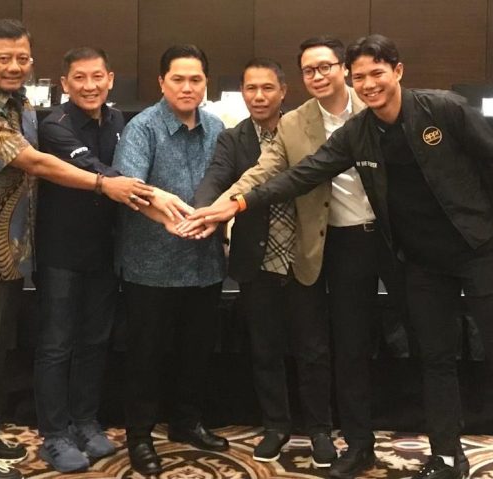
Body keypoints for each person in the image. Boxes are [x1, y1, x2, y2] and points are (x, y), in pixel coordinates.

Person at [186, 34, 493, 479]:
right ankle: (444, 456)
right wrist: (235, 204)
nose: (369, 83)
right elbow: (300, 175)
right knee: (429, 357)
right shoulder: (357, 131)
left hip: (474, 248)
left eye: (377, 73)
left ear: (397, 70)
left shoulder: (442, 109)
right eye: (361, 76)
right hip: (414, 258)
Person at [187, 37, 408, 476]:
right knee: (299, 345)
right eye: (310, 70)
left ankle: (386, 441)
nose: (318, 76)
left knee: (351, 344)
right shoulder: (294, 124)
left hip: (378, 239)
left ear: (343, 69)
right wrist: (216, 208)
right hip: (307, 247)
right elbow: (262, 172)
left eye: (326, 67)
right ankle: (333, 437)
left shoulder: (373, 108)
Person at [0, 20, 152, 479]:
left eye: (22, 58)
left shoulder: (18, 102)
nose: (14, 66)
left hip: (11, 251)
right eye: (4, 58)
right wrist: (103, 183)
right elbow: (35, 162)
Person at [193, 55, 337, 468]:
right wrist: (203, 210)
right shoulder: (234, 139)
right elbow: (216, 177)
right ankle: (275, 426)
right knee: (265, 349)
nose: (258, 96)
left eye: (267, 88)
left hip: (304, 256)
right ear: (242, 92)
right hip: (256, 261)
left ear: (283, 91)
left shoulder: (304, 129)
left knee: (313, 350)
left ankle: (320, 430)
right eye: (251, 88)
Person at [111, 44, 229, 476]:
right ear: (162, 82)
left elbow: (229, 182)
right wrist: (168, 217)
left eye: (195, 79)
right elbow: (130, 188)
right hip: (152, 266)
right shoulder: (143, 128)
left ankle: (186, 422)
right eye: (178, 79)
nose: (187, 87)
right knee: (146, 356)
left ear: (206, 83)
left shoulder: (217, 127)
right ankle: (139, 436)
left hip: (204, 263)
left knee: (195, 351)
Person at [33, 47, 141, 473]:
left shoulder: (118, 121)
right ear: (65, 83)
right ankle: (54, 435)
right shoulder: (54, 126)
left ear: (110, 78)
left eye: (98, 77)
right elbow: (99, 171)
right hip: (61, 251)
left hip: (104, 250)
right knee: (56, 345)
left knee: (95, 341)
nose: (90, 86)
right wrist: (145, 193)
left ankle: (85, 422)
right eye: (79, 78)